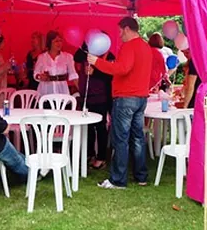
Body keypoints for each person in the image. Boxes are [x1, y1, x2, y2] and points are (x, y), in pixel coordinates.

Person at [87, 17, 152, 189]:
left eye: (120, 31)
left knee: (120, 139)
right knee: (137, 138)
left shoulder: (128, 46)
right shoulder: (145, 47)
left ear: (127, 29)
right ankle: (141, 176)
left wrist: (97, 62)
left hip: (126, 98)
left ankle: (118, 180)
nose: (119, 35)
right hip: (141, 97)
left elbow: (122, 69)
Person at [74, 39, 115, 170]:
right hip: (87, 96)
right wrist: (85, 43)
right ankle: (89, 153)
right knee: (89, 128)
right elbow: (77, 56)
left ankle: (101, 157)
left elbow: (111, 75)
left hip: (102, 97)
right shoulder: (89, 55)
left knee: (101, 128)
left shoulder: (110, 57)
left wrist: (95, 72)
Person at [34, 30, 79, 96]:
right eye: (56, 41)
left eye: (60, 41)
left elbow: (73, 75)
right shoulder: (42, 57)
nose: (59, 43)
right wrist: (40, 76)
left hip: (61, 91)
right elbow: (36, 74)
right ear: (50, 43)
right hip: (45, 91)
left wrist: (82, 91)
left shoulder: (67, 57)